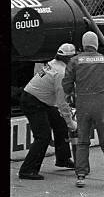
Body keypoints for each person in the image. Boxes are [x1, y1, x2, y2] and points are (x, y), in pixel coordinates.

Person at [62, 32, 104, 188]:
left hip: (82, 104)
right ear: (96, 44)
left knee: (82, 141)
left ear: (83, 45)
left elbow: (67, 82)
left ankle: (81, 175)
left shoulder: (75, 61)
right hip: (100, 104)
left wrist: (68, 93)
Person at [18, 44, 78, 180]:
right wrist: (71, 123)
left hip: (38, 99)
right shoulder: (62, 73)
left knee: (59, 123)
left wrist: (66, 120)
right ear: (69, 58)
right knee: (43, 136)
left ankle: (63, 158)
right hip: (32, 102)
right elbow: (62, 103)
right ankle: (27, 170)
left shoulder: (54, 63)